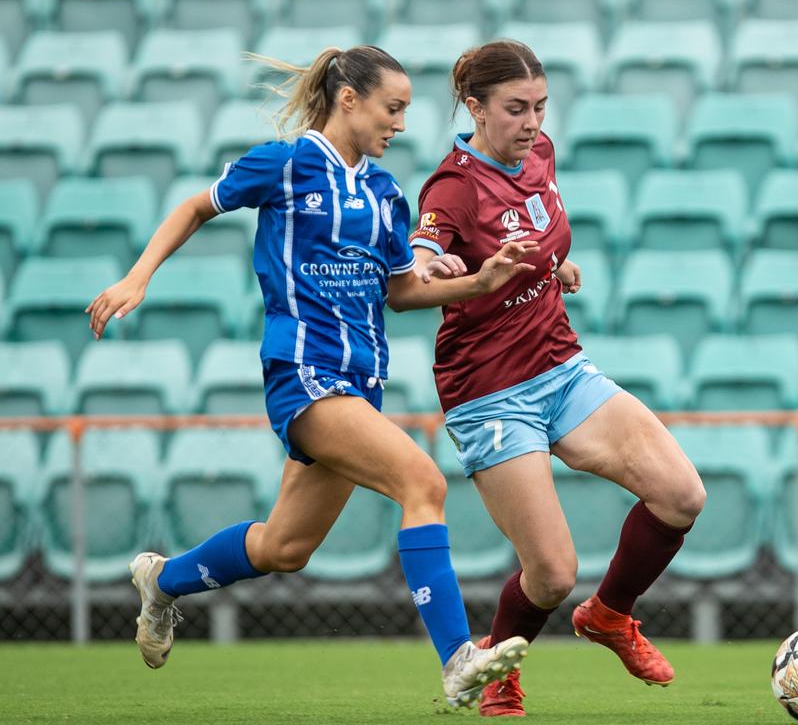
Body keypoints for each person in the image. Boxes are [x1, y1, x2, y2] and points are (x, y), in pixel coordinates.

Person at [84, 45, 534, 709]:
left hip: (361, 382)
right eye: (393, 107)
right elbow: (195, 208)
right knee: (423, 483)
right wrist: (137, 275)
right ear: (348, 99)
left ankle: (163, 582)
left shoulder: (385, 191)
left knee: (284, 546)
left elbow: (402, 292)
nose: (402, 124)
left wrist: (481, 280)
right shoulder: (286, 163)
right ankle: (458, 659)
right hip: (304, 371)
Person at [408, 40, 707, 717]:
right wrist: (445, 271)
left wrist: (553, 267)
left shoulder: (538, 155)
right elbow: (419, 263)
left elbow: (536, 234)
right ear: (475, 108)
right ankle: (498, 669)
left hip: (560, 366)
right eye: (516, 109)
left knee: (682, 495)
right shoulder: (452, 187)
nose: (533, 122)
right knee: (550, 573)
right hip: (489, 392)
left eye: (541, 106)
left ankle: (609, 616)